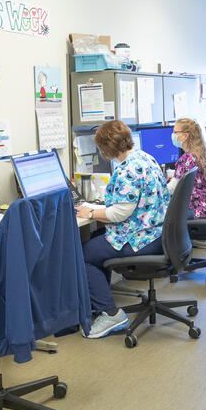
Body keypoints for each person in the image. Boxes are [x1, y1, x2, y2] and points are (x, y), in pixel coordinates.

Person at [77, 120, 170, 339]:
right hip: (156, 233)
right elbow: (129, 204)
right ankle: (101, 302)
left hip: (139, 239)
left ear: (108, 148)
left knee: (83, 255)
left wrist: (89, 213)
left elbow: (119, 213)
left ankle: (111, 313)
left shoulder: (127, 169)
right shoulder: (146, 158)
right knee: (97, 241)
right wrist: (95, 209)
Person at [168, 118, 206, 219]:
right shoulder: (203, 153)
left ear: (185, 136)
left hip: (198, 211)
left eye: (175, 132)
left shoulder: (187, 158)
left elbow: (171, 189)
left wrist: (156, 188)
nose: (172, 135)